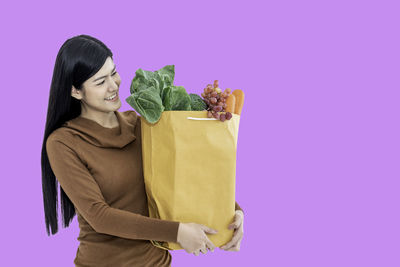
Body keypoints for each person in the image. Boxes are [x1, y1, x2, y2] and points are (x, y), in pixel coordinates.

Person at [40, 34, 244, 266]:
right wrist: (177, 232)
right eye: (100, 82)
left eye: (113, 73)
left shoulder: (143, 124)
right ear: (76, 91)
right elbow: (99, 216)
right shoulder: (64, 142)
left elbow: (187, 177)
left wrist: (233, 212)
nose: (113, 85)